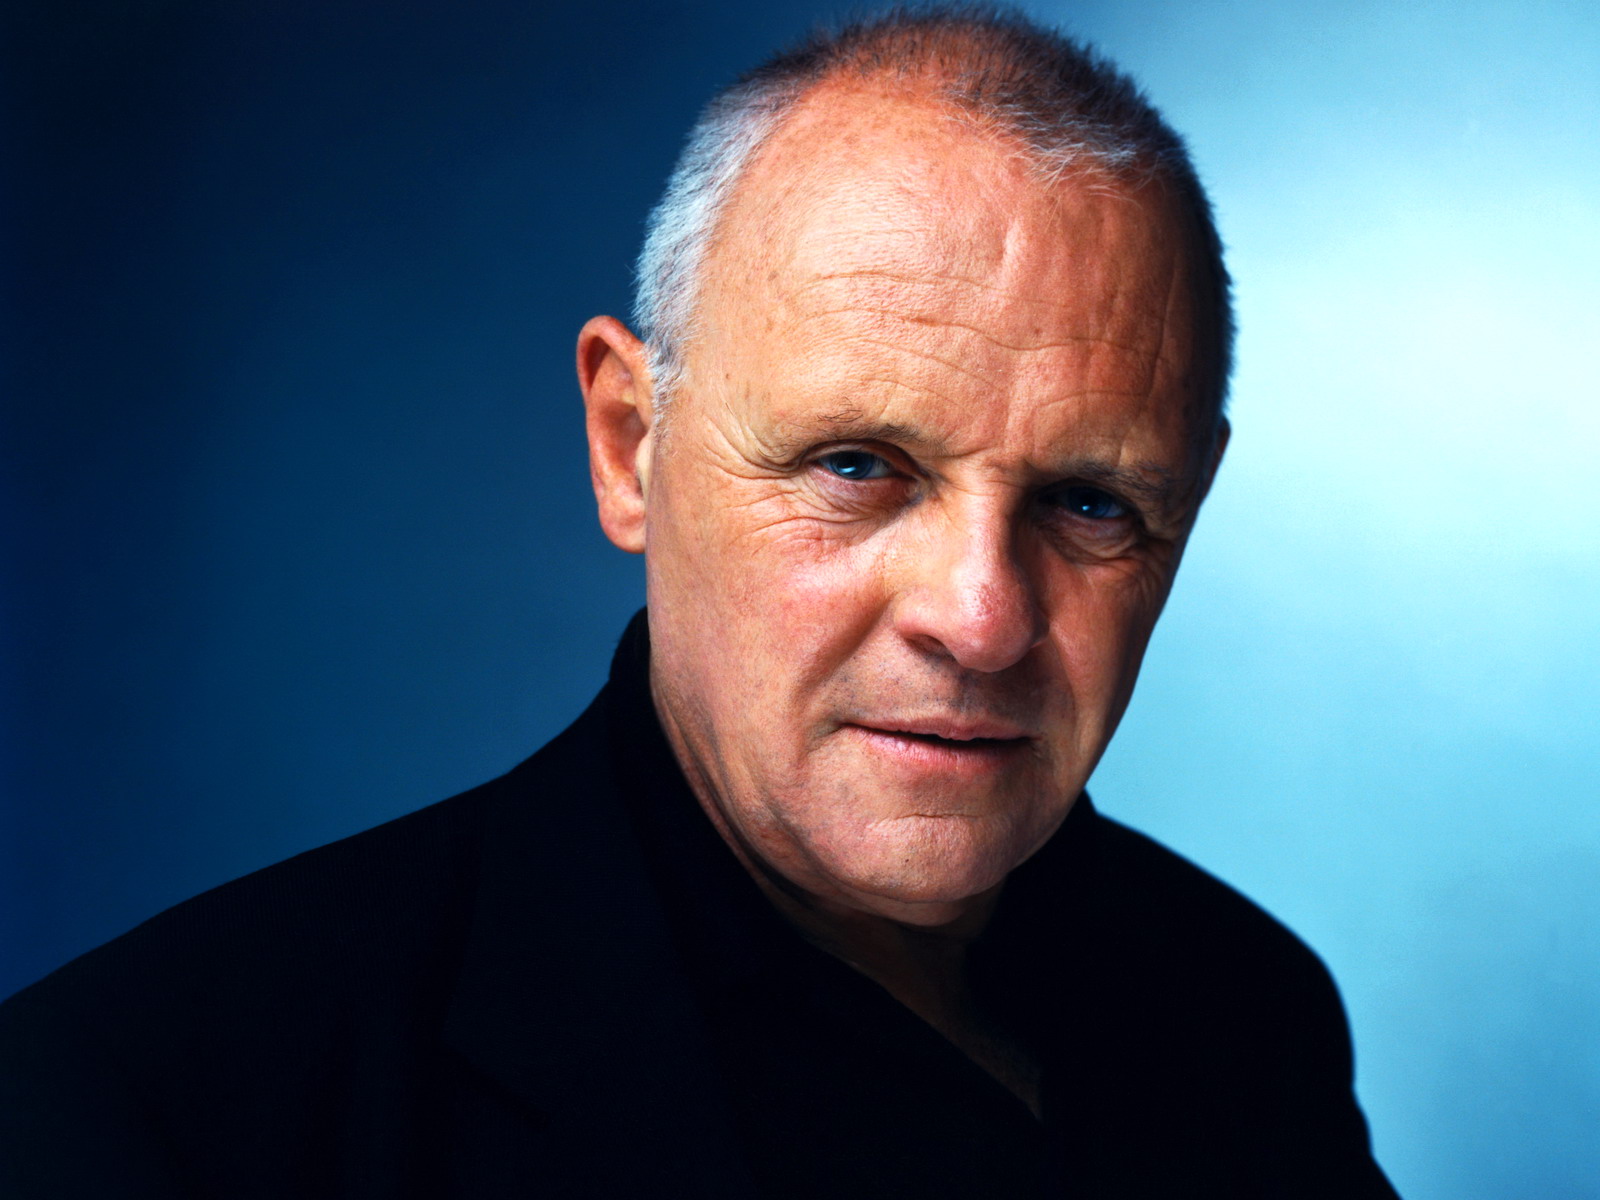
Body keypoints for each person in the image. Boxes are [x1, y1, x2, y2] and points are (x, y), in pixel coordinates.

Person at [0, 8, 1401, 1197]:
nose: (981, 619)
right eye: (857, 466)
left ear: (1188, 505)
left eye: (1089, 502)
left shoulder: (1245, 1008)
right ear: (630, 445)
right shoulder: (149, 1109)